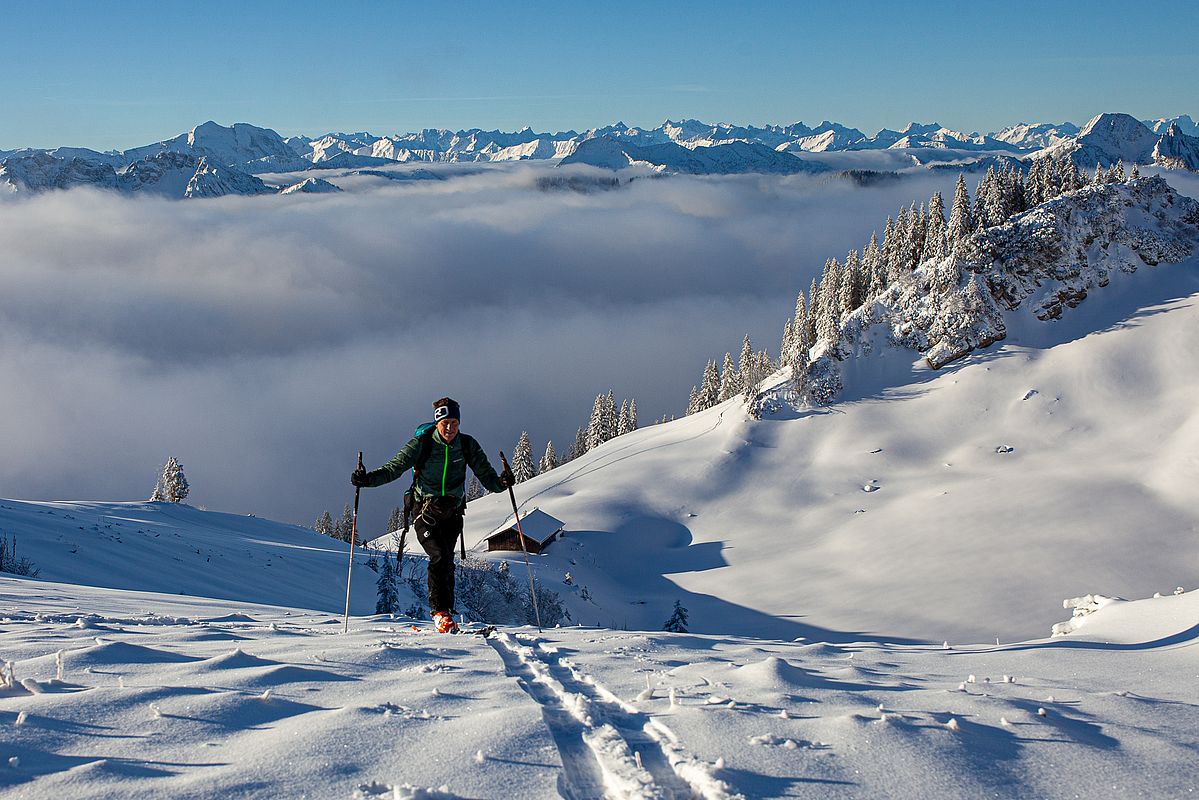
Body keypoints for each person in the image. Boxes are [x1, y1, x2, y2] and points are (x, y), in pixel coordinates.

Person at [352, 397, 512, 634]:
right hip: (424, 511)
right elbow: (393, 468)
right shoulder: (422, 444)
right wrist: (367, 480)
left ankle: (446, 615)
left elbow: (486, 475)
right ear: (437, 422)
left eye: (454, 423)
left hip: (454, 512)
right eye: (445, 423)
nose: (450, 428)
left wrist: (502, 483)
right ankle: (440, 614)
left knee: (447, 560)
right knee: (438, 555)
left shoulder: (467, 445)